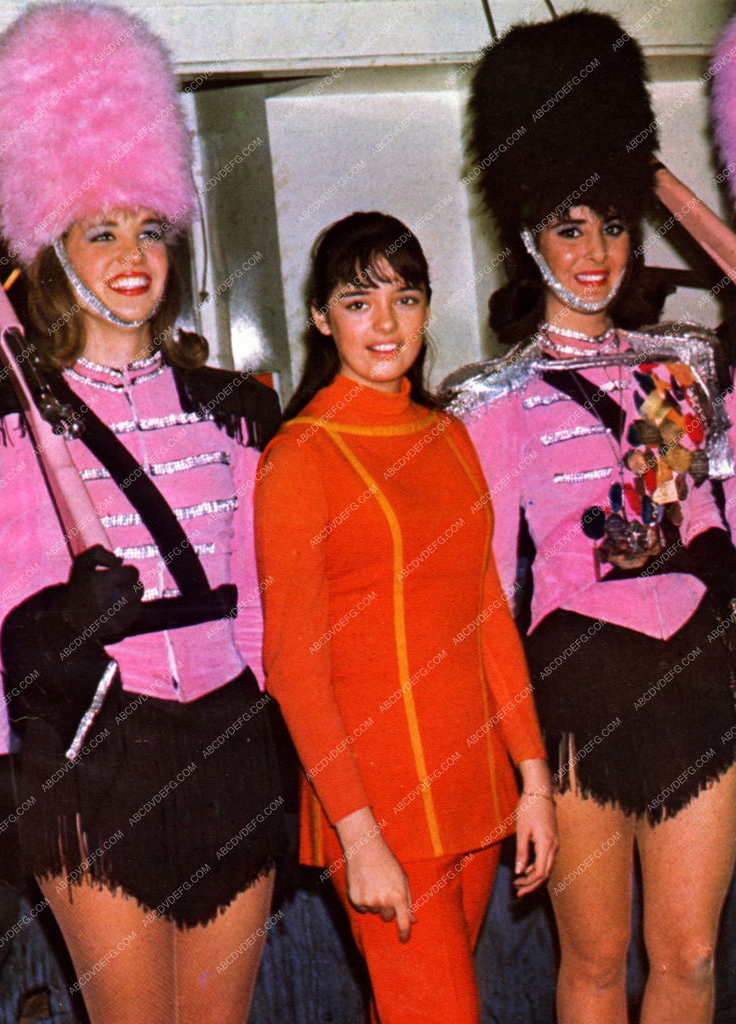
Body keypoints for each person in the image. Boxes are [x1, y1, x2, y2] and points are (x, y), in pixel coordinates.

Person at [0, 4, 283, 1022]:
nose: (132, 254)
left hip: (229, 747)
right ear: (55, 249)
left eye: (149, 230)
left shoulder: (235, 413)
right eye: (101, 232)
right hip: (89, 757)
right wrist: (1, 775)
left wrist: (282, 733)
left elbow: (260, 605)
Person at [443, 12, 736, 1024]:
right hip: (572, 694)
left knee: (691, 954)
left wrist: (643, 164)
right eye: (569, 227)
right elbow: (484, 593)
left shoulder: (684, 366)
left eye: (612, 224)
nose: (596, 251)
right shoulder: (490, 397)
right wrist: (519, 759)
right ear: (529, 235)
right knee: (597, 960)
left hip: (696, 679)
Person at [254, 210, 557, 1024]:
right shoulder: (300, 455)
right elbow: (294, 670)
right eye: (358, 302)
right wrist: (358, 838)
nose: (385, 324)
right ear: (321, 318)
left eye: (405, 298)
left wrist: (533, 781)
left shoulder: (448, 434)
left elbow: (488, 616)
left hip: (476, 794)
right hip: (379, 809)